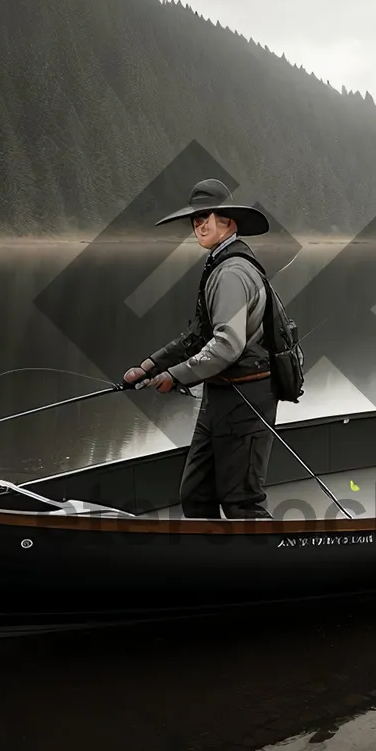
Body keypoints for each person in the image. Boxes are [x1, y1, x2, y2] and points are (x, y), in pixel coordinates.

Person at [123, 178, 278, 519]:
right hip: (221, 396)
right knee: (196, 495)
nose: (199, 224)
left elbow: (227, 344)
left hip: (247, 396)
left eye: (207, 216)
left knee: (241, 503)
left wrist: (175, 377)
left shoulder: (232, 273)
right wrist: (149, 366)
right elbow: (199, 335)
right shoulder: (220, 264)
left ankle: (269, 568)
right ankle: (213, 565)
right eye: (195, 218)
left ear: (229, 222)